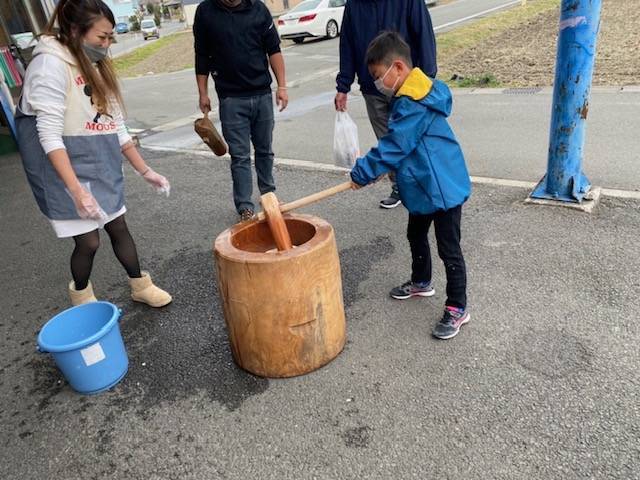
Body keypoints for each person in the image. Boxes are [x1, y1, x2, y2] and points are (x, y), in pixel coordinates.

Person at [15, 0, 172, 308]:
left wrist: (146, 171)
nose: (108, 44)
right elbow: (47, 135)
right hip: (61, 169)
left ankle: (140, 285)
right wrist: (77, 192)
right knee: (88, 240)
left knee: (118, 226)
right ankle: (82, 296)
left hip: (98, 160)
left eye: (110, 37)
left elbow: (117, 127)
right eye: (102, 37)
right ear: (75, 30)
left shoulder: (95, 66)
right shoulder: (49, 65)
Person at [350, 32, 471, 340]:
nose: (379, 83)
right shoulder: (413, 96)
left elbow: (395, 145)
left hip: (442, 188)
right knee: (415, 233)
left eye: (380, 76)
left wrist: (364, 171)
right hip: (423, 185)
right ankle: (421, 282)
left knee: (449, 248)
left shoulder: (412, 103)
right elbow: (403, 149)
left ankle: (458, 307)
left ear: (399, 68)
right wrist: (381, 167)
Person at [335, 0, 437, 209]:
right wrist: (343, 85)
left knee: (414, 136)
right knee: (387, 139)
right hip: (372, 86)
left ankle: (425, 182)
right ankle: (400, 186)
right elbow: (347, 43)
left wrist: (426, 79)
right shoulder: (354, 5)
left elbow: (423, 34)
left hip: (406, 84)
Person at [193, 0, 288, 222]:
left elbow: (274, 49)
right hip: (231, 99)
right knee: (240, 156)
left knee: (265, 150)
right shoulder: (206, 12)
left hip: (262, 93)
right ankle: (245, 207)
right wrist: (203, 93)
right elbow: (201, 55)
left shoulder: (258, 9)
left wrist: (282, 86)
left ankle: (269, 196)